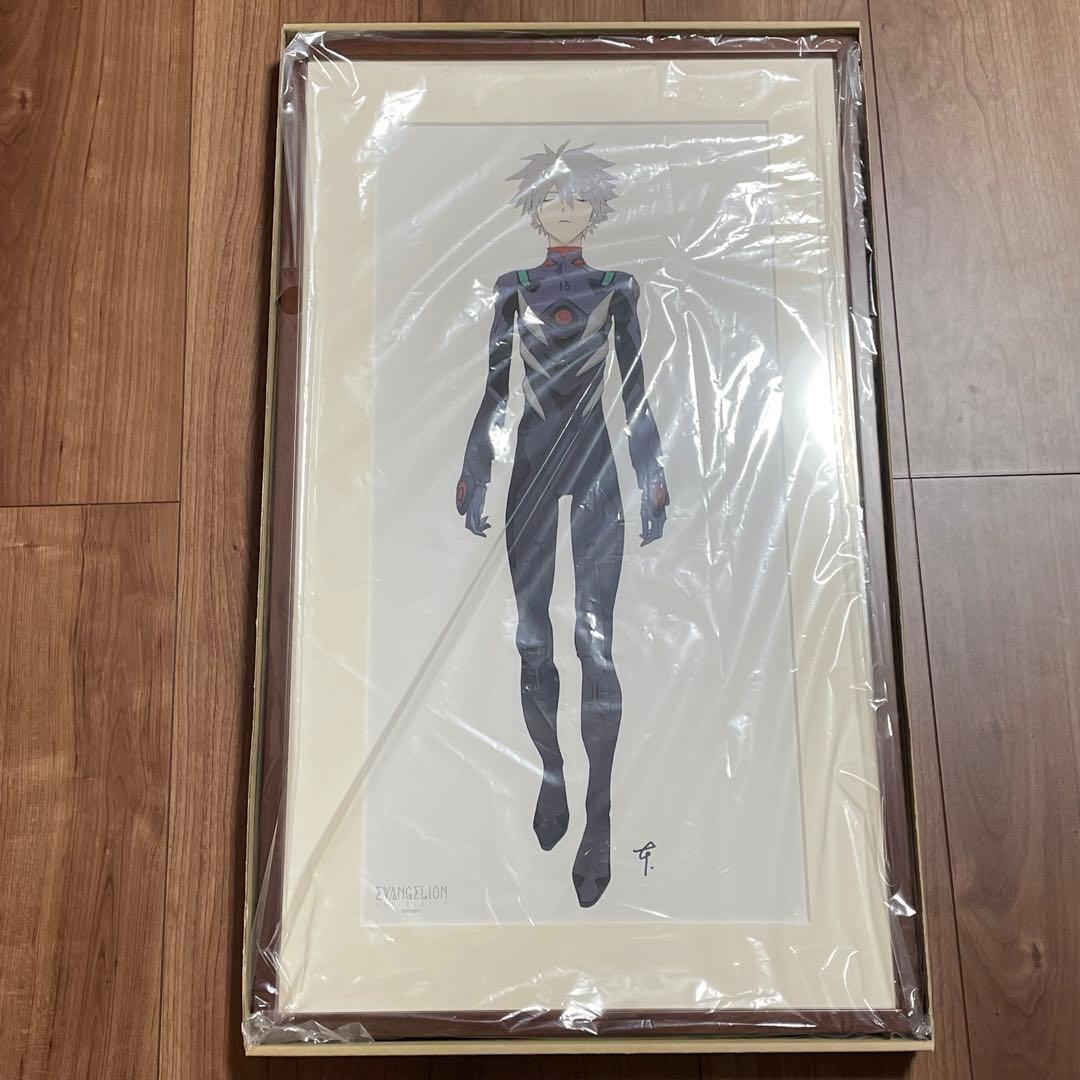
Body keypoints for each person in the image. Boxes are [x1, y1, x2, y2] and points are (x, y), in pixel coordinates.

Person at [456, 142, 669, 907]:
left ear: (594, 207)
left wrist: (651, 475)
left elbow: (634, 389)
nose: (564, 208)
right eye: (551, 197)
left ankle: (599, 820)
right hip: (531, 466)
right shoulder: (512, 291)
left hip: (595, 467)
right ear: (535, 209)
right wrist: (477, 467)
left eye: (576, 197)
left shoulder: (617, 289)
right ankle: (552, 774)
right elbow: (496, 390)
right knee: (532, 640)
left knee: (595, 645)